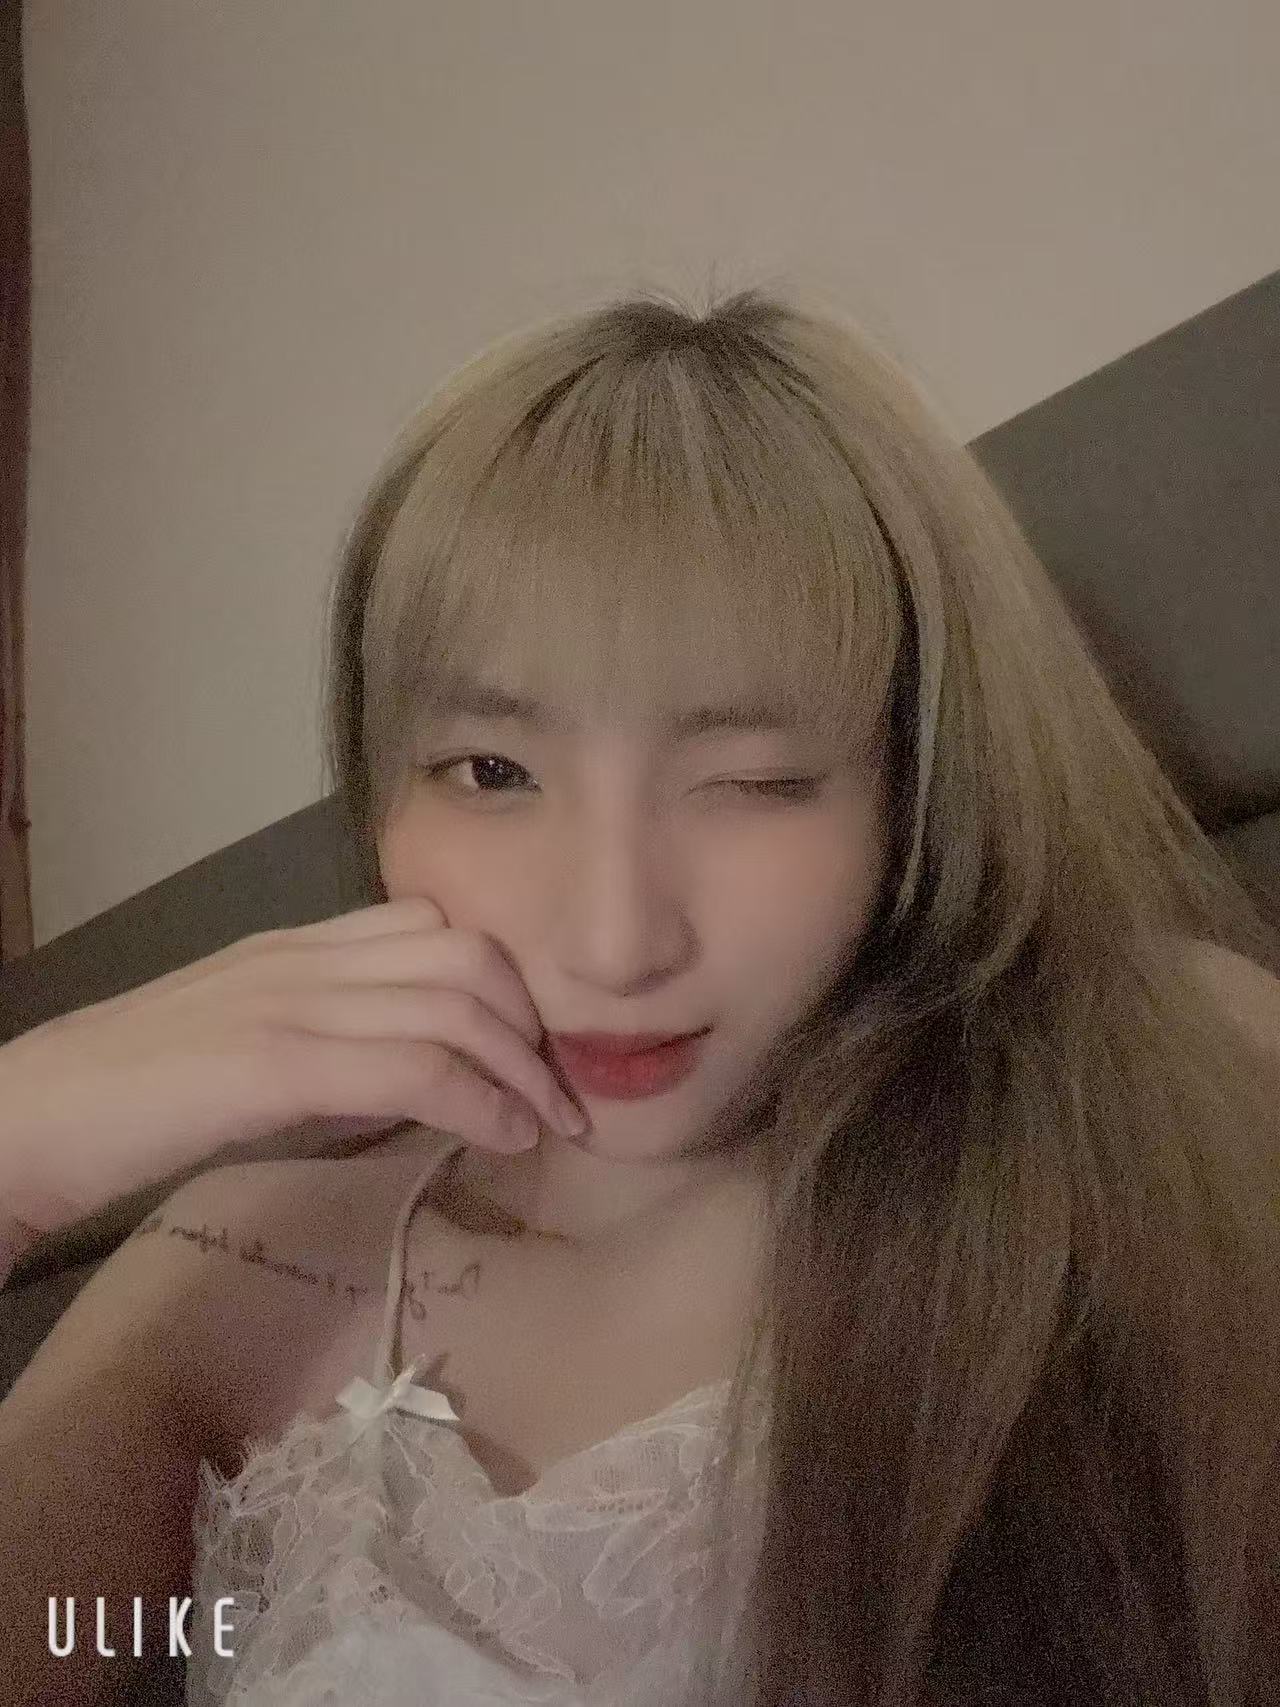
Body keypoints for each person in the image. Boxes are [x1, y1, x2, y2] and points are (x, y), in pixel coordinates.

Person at [1, 282, 1278, 1707]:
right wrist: (19, 1143)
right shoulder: (238, 1268)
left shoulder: (1147, 1083)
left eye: (753, 781)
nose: (613, 944)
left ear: (910, 788)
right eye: (491, 771)